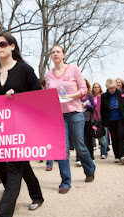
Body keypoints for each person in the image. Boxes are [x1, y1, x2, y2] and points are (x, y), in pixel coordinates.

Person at [0, 32, 44, 217]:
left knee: (14, 167)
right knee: (17, 166)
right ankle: (37, 196)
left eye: (2, 44)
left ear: (12, 46)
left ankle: (4, 215)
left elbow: (38, 96)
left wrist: (18, 95)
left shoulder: (24, 70)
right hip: (1, 131)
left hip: (22, 127)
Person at [45, 45, 96, 195]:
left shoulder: (74, 69)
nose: (55, 54)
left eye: (58, 52)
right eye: (53, 52)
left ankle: (90, 169)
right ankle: (65, 182)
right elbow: (48, 94)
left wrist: (70, 96)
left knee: (79, 145)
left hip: (74, 113)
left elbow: (84, 90)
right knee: (63, 149)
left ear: (64, 55)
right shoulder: (49, 74)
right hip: (58, 115)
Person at [100, 79, 124, 165]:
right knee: (114, 138)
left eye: (113, 88)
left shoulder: (122, 94)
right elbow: (102, 110)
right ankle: (117, 156)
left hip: (121, 118)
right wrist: (104, 122)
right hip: (110, 119)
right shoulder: (104, 96)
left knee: (121, 136)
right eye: (110, 88)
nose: (112, 90)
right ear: (107, 88)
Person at [92, 83, 110, 159]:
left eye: (97, 87)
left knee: (103, 137)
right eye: (94, 87)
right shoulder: (91, 97)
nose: (96, 88)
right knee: (94, 135)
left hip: (102, 119)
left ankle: (104, 152)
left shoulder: (103, 97)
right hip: (93, 120)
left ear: (100, 88)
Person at [80, 79, 95, 161]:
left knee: (88, 138)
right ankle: (79, 158)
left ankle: (91, 157)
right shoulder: (76, 95)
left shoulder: (89, 95)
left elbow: (93, 107)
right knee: (79, 139)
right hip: (78, 119)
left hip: (87, 119)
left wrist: (85, 105)